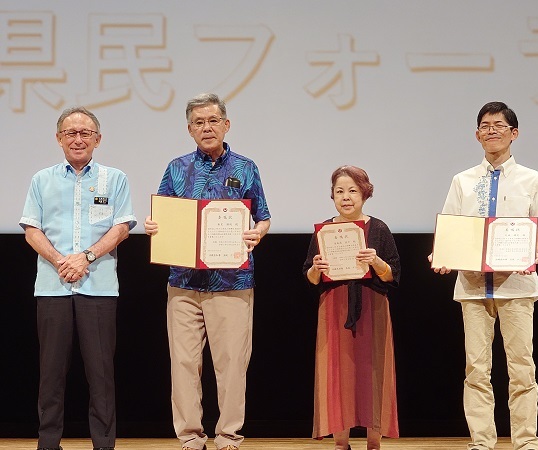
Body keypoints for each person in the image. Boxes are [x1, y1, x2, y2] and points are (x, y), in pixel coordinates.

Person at [144, 93, 271, 450]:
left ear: (226, 125)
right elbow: (162, 215)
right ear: (189, 129)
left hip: (232, 282)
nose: (206, 128)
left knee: (231, 365)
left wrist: (257, 233)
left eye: (213, 121)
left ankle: (228, 435)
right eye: (198, 122)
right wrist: (154, 227)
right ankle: (190, 435)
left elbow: (263, 217)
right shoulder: (176, 167)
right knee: (183, 364)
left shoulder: (246, 167)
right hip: (183, 282)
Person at [430, 101, 538, 450]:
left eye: (499, 125)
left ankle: (526, 441)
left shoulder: (533, 179)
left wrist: (533, 251)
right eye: (485, 125)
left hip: (517, 285)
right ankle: (482, 441)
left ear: (514, 134)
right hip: (472, 286)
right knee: (476, 368)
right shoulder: (463, 180)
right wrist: (442, 256)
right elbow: (451, 230)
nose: (491, 130)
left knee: (521, 367)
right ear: (476, 134)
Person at [19, 106, 137, 450]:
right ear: (59, 139)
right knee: (50, 374)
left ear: (98, 139)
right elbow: (31, 229)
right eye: (71, 133)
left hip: (99, 288)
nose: (78, 138)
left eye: (86, 133)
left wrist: (85, 257)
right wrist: (60, 261)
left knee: (101, 375)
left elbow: (121, 228)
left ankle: (103, 444)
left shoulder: (114, 178)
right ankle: (48, 443)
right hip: (52, 287)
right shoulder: (42, 179)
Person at [302, 166, 400, 450]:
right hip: (334, 305)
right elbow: (309, 275)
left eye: (353, 190)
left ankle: (373, 443)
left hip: (373, 305)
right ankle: (340, 443)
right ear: (332, 196)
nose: (346, 197)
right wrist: (317, 269)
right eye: (340, 191)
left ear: (365, 193)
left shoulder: (378, 228)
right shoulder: (324, 230)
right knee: (336, 371)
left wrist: (377, 262)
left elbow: (393, 274)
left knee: (374, 370)